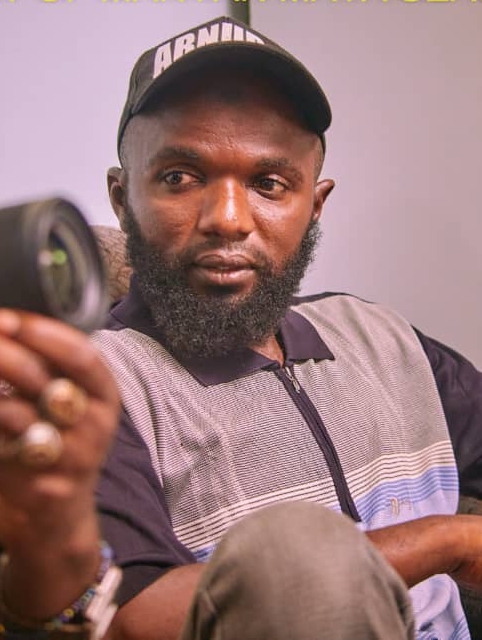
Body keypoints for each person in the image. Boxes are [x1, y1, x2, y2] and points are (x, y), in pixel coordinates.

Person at [0, 14, 482, 640]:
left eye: (268, 184)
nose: (228, 218)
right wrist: (447, 541)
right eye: (180, 177)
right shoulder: (91, 387)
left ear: (314, 204)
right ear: (122, 199)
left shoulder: (378, 334)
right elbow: (129, 615)